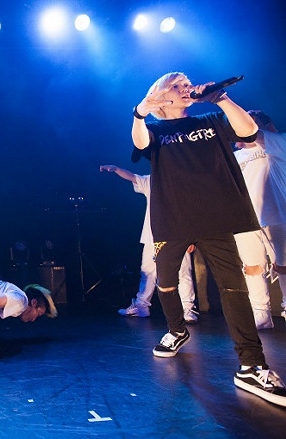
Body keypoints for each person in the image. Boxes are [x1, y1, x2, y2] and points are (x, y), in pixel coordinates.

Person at [131, 72, 286, 407]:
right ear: (161, 98)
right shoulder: (155, 129)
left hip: (216, 218)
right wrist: (140, 111)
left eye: (187, 82)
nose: (186, 87)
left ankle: (251, 365)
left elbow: (248, 131)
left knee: (234, 288)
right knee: (166, 282)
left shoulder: (212, 120)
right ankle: (177, 330)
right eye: (176, 86)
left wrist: (221, 98)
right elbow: (140, 143)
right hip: (172, 220)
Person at [100, 165, 198, 322]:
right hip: (153, 236)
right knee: (148, 272)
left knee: (183, 272)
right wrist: (116, 169)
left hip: (178, 236)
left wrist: (191, 237)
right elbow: (132, 176)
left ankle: (187, 308)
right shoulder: (151, 181)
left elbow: (190, 211)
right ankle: (141, 306)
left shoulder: (182, 181)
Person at [234, 110, 286, 324]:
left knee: (283, 265)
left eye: (251, 121)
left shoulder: (279, 141)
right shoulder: (234, 157)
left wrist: (240, 125)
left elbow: (255, 134)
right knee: (252, 266)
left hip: (278, 214)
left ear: (268, 125)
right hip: (246, 219)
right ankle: (261, 313)